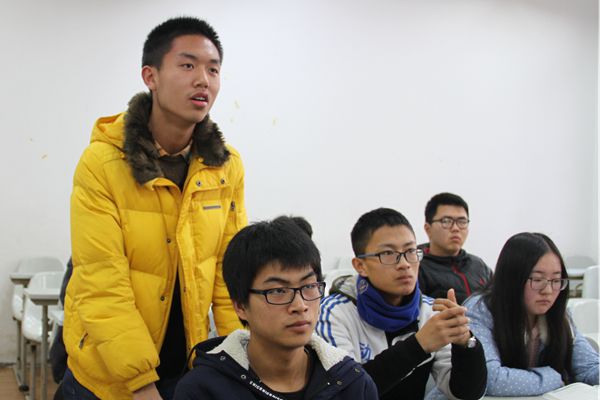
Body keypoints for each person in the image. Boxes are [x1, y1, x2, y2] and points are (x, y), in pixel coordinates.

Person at [63, 17, 246, 399]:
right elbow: (101, 285)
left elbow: (230, 276)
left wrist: (240, 365)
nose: (203, 80)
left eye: (213, 70)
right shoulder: (102, 164)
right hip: (109, 376)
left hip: (186, 367)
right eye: (188, 65)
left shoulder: (225, 166)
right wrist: (141, 384)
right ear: (151, 76)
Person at [174, 216, 378, 399]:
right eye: (278, 291)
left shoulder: (352, 384)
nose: (300, 305)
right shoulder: (202, 390)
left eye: (309, 286)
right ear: (240, 305)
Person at [317, 208, 487, 400]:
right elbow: (345, 393)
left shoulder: (431, 311)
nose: (405, 263)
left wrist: (465, 343)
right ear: (360, 266)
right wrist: (419, 345)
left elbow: (464, 394)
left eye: (410, 251)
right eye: (388, 253)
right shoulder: (333, 313)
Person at [464, 232, 599, 397]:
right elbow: (490, 379)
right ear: (513, 279)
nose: (548, 291)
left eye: (556, 280)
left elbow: (589, 368)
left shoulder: (558, 315)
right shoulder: (479, 311)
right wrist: (554, 377)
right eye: (537, 280)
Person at [418, 192, 493, 304]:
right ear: (428, 229)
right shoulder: (417, 266)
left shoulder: (479, 266)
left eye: (462, 222)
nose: (455, 228)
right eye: (446, 221)